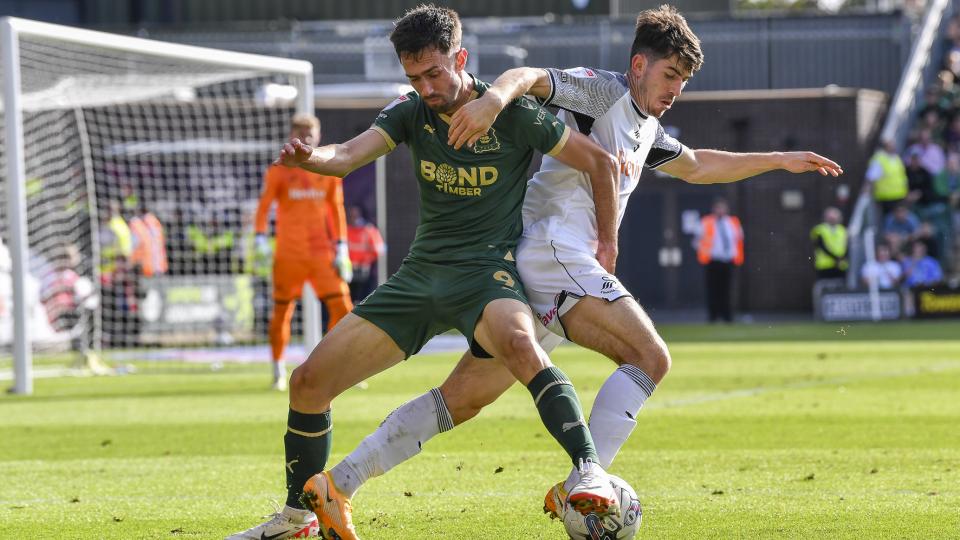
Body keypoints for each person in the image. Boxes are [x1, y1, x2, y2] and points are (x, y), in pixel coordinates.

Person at [313, 3, 843, 533]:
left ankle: (338, 483)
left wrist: (779, 158)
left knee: (461, 400)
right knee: (649, 357)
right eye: (670, 75)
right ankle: (585, 481)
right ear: (639, 66)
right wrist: (496, 99)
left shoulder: (645, 128)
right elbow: (528, 77)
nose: (676, 89)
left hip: (550, 264)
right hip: (552, 250)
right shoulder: (604, 92)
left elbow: (700, 165)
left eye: (682, 80)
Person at [228, 6, 625, 539]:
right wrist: (310, 158)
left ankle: (590, 471)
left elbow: (598, 161)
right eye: (414, 77)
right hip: (420, 276)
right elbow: (347, 155)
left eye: (435, 73)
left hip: (487, 273)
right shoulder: (410, 110)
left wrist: (607, 244)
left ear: (460, 58)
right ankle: (296, 520)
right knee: (307, 384)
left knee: (520, 343)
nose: (427, 87)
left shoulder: (509, 113)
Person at [254, 114, 355, 391]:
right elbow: (264, 205)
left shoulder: (328, 168)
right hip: (289, 254)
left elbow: (337, 209)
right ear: (291, 133)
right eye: (301, 131)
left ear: (319, 135)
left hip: (322, 253)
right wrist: (260, 237)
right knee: (281, 313)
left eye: (311, 132)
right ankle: (277, 369)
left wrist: (342, 246)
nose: (307, 137)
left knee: (344, 310)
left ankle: (341, 366)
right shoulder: (280, 169)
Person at [697, 198, 744, 322]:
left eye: (722, 208)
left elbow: (739, 239)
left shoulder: (733, 222)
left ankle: (727, 316)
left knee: (726, 290)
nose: (720, 210)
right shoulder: (706, 222)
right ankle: (713, 317)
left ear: (726, 209)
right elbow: (698, 240)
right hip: (713, 261)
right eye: (718, 208)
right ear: (714, 209)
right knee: (713, 290)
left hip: (728, 261)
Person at [345, 205, 384, 302]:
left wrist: (366, 260)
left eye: (355, 215)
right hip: (348, 269)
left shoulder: (368, 231)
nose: (354, 218)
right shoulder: (346, 230)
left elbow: (378, 250)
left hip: (364, 270)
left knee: (363, 297)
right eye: (352, 215)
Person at [865, 138, 908, 215]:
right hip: (885, 197)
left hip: (899, 195)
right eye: (890, 146)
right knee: (889, 219)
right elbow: (871, 177)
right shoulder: (879, 159)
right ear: (885, 147)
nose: (893, 147)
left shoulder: (896, 158)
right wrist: (867, 190)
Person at [810, 207, 848, 280]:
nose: (833, 219)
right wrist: (836, 258)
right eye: (831, 217)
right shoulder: (819, 230)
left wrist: (842, 257)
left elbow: (846, 246)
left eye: (835, 217)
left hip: (841, 265)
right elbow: (821, 246)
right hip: (825, 266)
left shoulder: (842, 230)